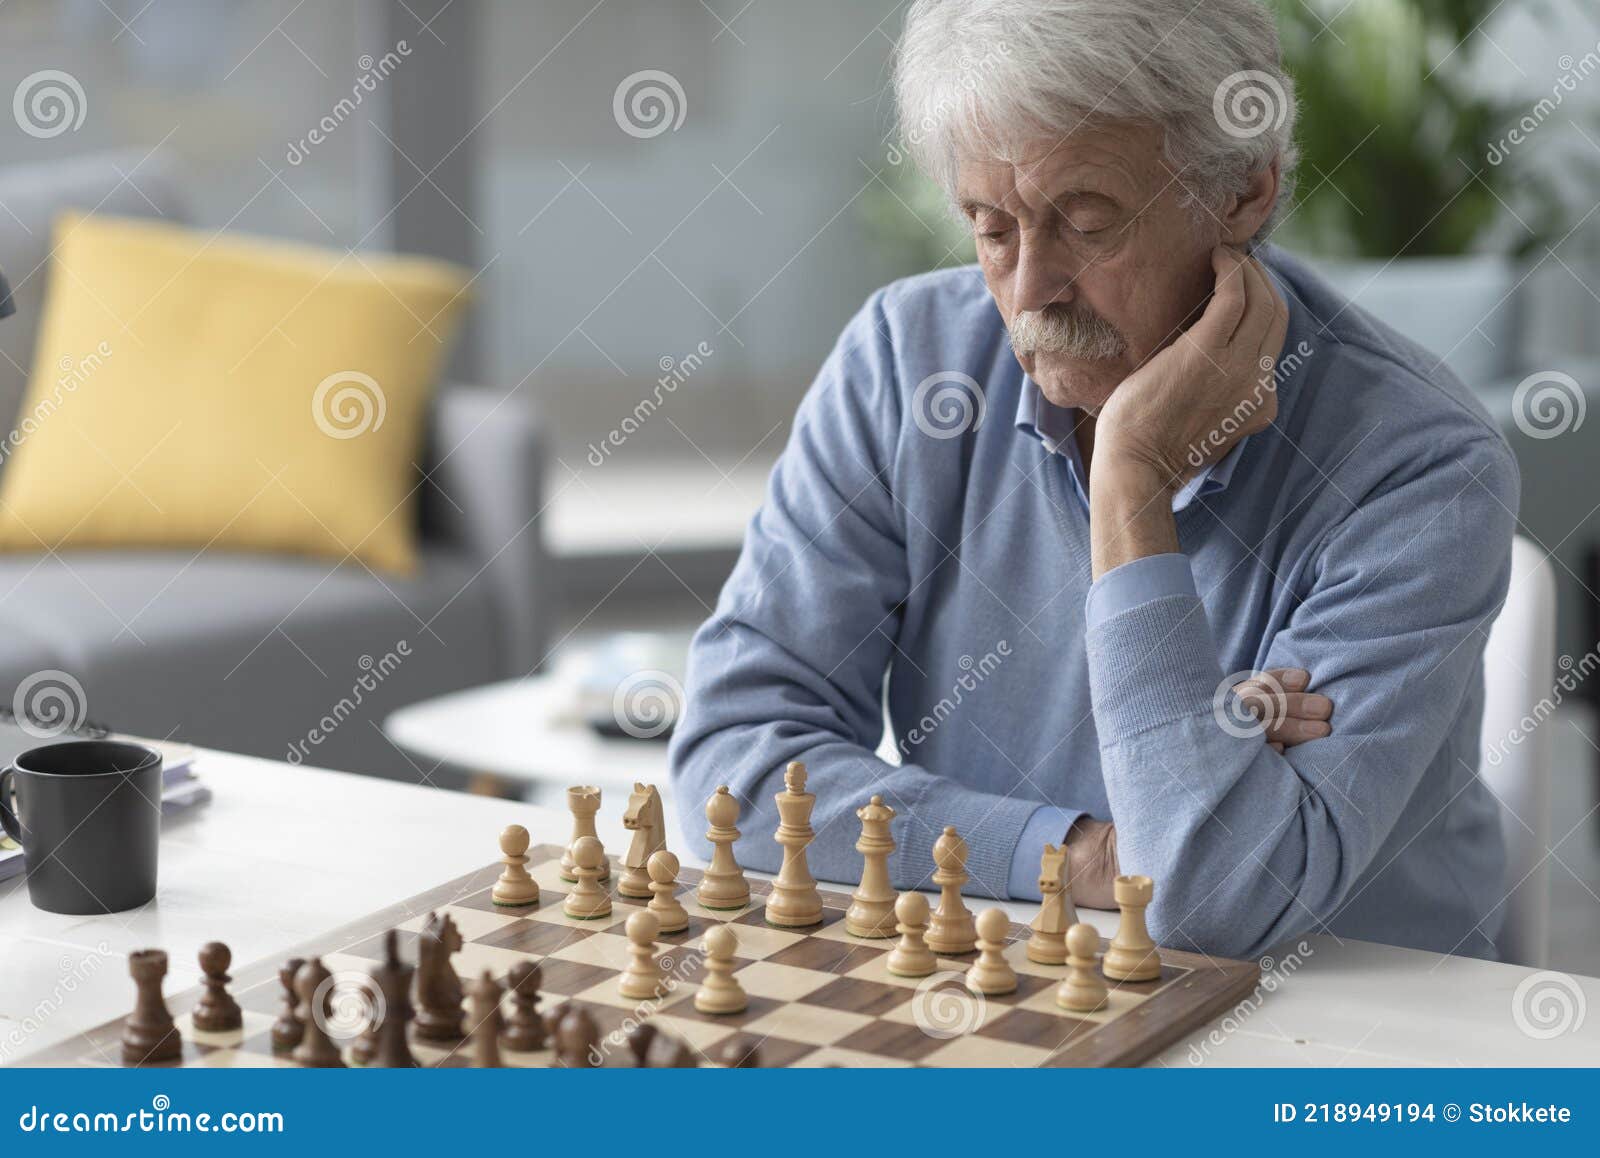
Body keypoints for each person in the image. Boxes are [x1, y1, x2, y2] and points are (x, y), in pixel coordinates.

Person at [668, 0, 1516, 960]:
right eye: (991, 229)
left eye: (1085, 222)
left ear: (1243, 188)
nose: (1029, 291)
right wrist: (1075, 853)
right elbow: (730, 772)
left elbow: (1216, 899)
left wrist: (1130, 482)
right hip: (1032, 982)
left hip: (1367, 1037)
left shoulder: (1422, 465)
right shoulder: (907, 367)